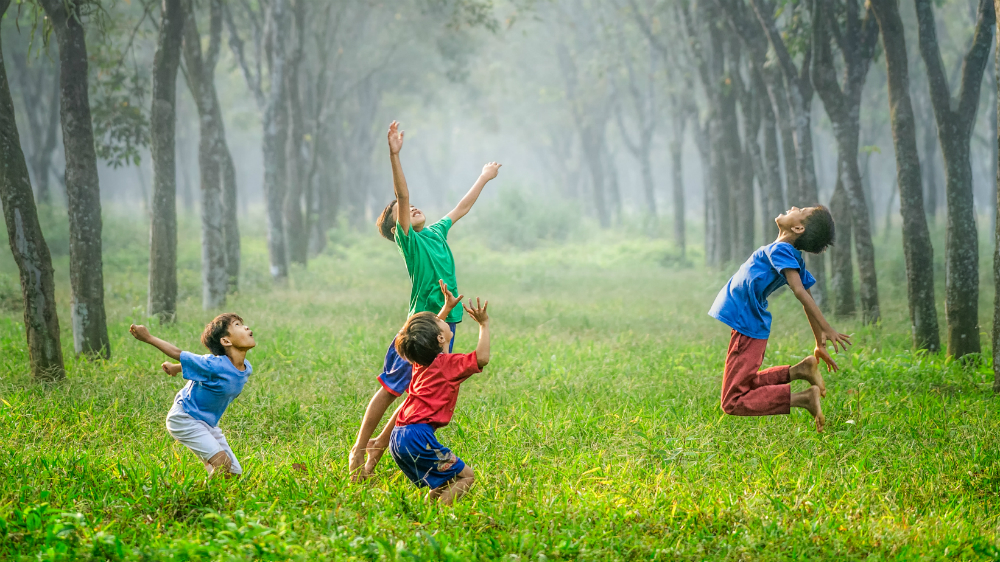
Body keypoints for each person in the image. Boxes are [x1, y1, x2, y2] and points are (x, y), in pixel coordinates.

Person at [348, 120, 501, 479]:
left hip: (446, 324)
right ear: (395, 227)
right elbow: (401, 196)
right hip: (420, 327)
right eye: (401, 211)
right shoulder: (410, 242)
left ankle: (374, 458)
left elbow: (461, 208)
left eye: (414, 206)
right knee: (391, 389)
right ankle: (359, 450)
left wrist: (483, 177)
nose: (411, 207)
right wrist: (394, 154)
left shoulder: (434, 232)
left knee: (419, 393)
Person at [708, 206, 851, 432]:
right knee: (744, 384)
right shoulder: (787, 253)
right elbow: (807, 296)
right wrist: (819, 343)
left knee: (732, 401)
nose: (794, 207)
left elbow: (801, 292)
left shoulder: (783, 250)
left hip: (747, 325)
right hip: (748, 324)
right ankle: (799, 371)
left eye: (801, 210)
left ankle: (803, 399)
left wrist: (826, 328)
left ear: (798, 227)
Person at [389, 286, 489, 506]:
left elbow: (426, 336)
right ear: (441, 337)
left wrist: (446, 308)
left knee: (445, 480)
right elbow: (482, 358)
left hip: (399, 437)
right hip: (418, 438)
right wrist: (484, 324)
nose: (441, 319)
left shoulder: (421, 361)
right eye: (440, 321)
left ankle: (427, 511)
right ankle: (438, 517)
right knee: (466, 476)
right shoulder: (448, 365)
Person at [129, 314, 255, 478]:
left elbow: (200, 368)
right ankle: (200, 499)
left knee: (233, 473)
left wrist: (175, 368)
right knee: (223, 465)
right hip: (185, 418)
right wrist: (148, 337)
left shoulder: (246, 368)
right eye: (237, 325)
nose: (245, 327)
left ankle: (216, 492)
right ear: (226, 341)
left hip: (207, 424)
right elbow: (178, 353)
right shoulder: (214, 364)